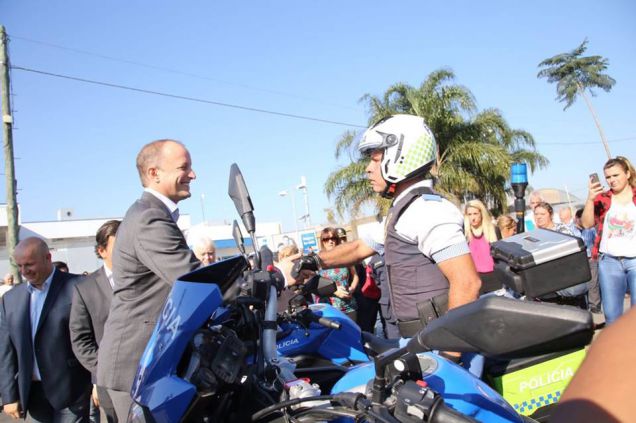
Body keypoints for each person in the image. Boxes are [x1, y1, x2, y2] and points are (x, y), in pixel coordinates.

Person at [293, 115, 481, 346]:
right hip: (419, 338)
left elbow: (467, 283)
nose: (368, 169)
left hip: (438, 343)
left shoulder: (427, 210)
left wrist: (450, 353)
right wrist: (310, 261)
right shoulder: (404, 210)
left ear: (401, 157)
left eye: (375, 159)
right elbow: (360, 247)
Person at [97, 140, 201, 420]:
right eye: (184, 167)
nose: (193, 175)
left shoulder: (149, 214)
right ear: (154, 173)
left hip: (139, 363)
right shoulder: (149, 218)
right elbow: (192, 277)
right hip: (132, 365)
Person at [0, 237, 91, 422]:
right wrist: (9, 396)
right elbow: (5, 351)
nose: (24, 271)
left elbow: (94, 335)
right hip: (33, 394)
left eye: (29, 264)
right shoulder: (10, 299)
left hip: (71, 390)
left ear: (47, 258)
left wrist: (97, 382)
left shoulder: (79, 287)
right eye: (20, 266)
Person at [70, 220, 121, 423]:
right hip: (109, 383)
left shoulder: (147, 279)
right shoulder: (85, 289)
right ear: (102, 251)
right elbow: (81, 340)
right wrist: (103, 371)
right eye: (119, 247)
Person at [582, 156, 636, 325]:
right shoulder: (603, 198)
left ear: (627, 174)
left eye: (616, 175)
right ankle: (618, 350)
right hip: (609, 261)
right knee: (612, 316)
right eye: (608, 177)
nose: (612, 180)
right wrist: (590, 199)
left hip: (634, 260)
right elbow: (586, 224)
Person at [316, 227, 359, 321]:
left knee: (352, 334)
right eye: (326, 239)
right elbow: (315, 283)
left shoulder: (345, 256)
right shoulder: (318, 260)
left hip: (349, 306)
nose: (330, 241)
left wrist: (352, 288)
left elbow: (355, 276)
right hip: (329, 308)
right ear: (322, 242)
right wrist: (334, 290)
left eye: (333, 238)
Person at [464, 200, 500, 294]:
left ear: (481, 213)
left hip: (495, 278)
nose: (473, 218)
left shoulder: (493, 230)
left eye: (475, 213)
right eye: (469, 214)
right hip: (476, 280)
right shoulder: (465, 235)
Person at [573, 208, 601, 314]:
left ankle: (595, 306)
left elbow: (596, 241)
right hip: (578, 260)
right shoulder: (570, 230)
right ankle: (582, 305)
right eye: (582, 219)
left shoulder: (591, 229)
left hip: (591, 259)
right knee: (580, 284)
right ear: (577, 219)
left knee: (593, 283)